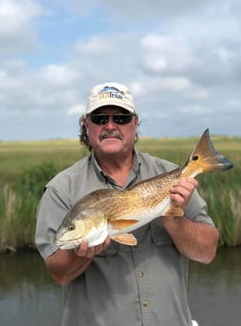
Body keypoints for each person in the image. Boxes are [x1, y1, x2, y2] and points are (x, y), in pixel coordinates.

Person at [35, 82, 219, 326]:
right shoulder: (61, 189)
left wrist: (173, 217)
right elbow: (58, 272)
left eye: (121, 118)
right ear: (86, 125)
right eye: (100, 118)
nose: (110, 126)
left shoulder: (170, 174)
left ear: (135, 123)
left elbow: (207, 252)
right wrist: (81, 256)